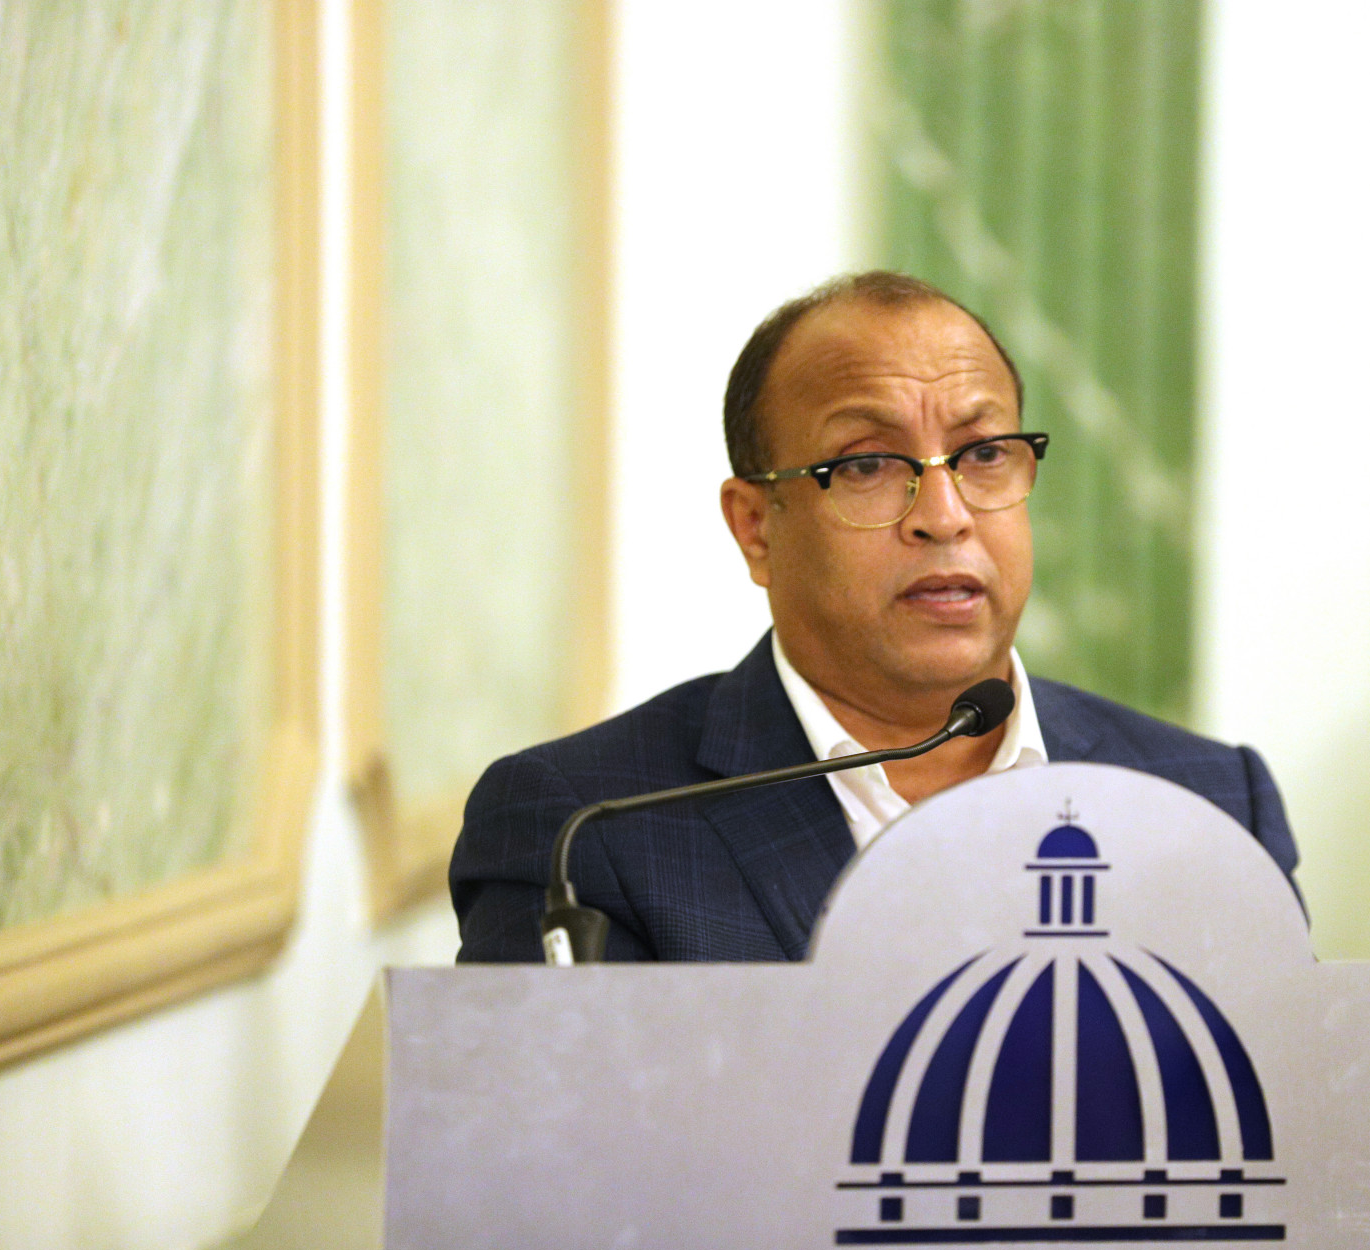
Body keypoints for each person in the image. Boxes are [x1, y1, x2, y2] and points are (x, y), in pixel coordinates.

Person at [451, 271, 1301, 965]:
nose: (944, 515)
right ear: (756, 528)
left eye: (984, 454)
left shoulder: (1212, 804)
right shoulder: (585, 829)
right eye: (866, 466)